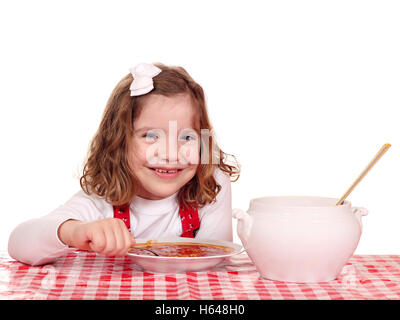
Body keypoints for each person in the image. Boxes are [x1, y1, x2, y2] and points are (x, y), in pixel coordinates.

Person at [8, 62, 240, 266]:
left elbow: (216, 261)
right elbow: (19, 243)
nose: (170, 155)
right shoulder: (102, 199)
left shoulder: (211, 186)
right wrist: (74, 231)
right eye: (151, 136)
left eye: (187, 137)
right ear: (119, 143)